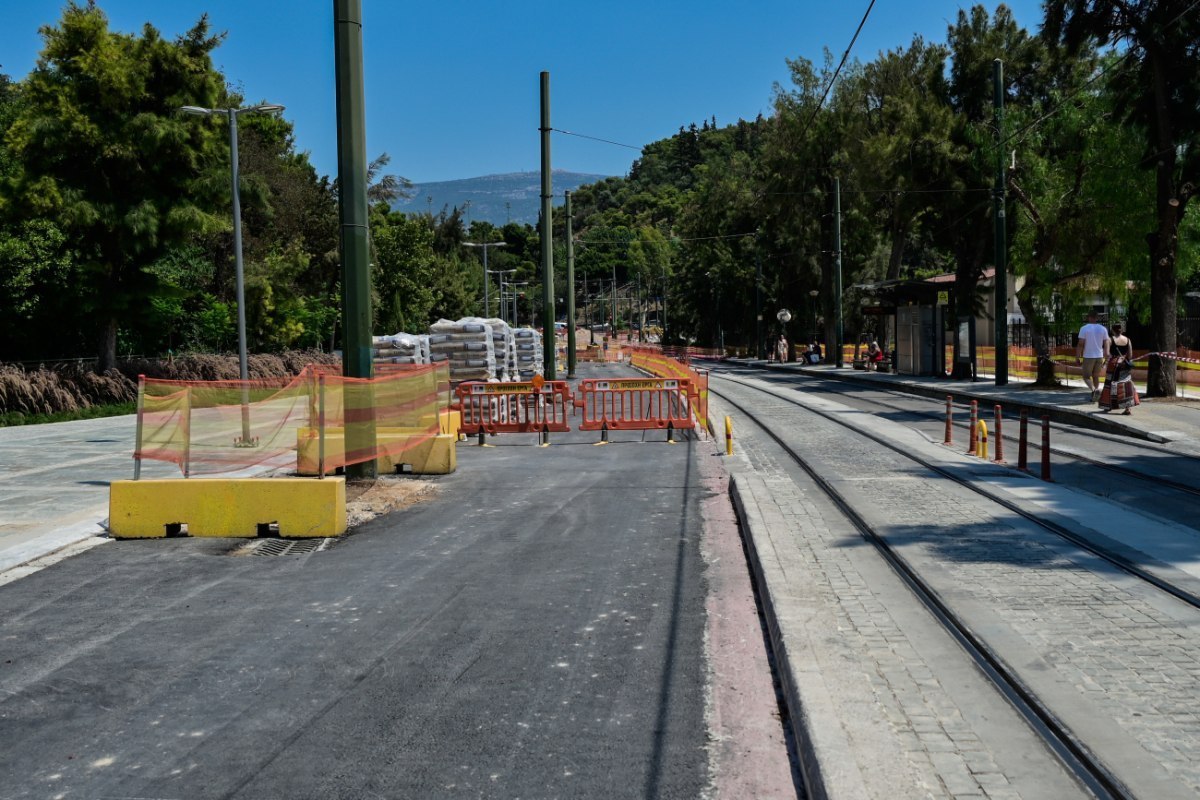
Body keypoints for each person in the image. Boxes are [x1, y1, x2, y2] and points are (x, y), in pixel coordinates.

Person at [1098, 323, 1139, 415]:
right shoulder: (1127, 340)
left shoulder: (1109, 339)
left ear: (1112, 330)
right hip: (1124, 364)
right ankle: (1128, 408)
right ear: (1121, 330)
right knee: (1126, 384)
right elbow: (1130, 355)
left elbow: (1106, 354)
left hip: (1113, 364)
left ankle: (1108, 405)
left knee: (1110, 384)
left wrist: (1110, 359)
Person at [1076, 311, 1110, 402]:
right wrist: (1106, 354)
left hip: (1088, 356)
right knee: (1095, 376)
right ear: (1097, 318)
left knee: (1086, 377)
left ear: (1089, 317)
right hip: (1099, 356)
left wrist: (1077, 357)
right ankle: (1096, 396)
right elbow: (1106, 342)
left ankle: (1094, 390)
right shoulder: (1103, 329)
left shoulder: (1084, 328)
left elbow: (1080, 344)